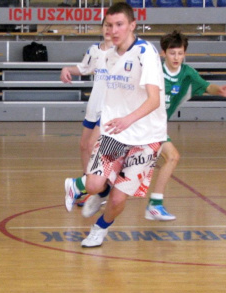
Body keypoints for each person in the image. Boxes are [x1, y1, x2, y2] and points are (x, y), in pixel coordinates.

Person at [64, 2, 167, 248]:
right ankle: (77, 186)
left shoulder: (145, 53)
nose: (114, 30)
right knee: (94, 184)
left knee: (119, 199)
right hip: (115, 135)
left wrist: (128, 119)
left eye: (119, 24)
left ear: (132, 25)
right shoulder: (107, 56)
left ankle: (100, 228)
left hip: (146, 138)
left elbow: (154, 100)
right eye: (109, 25)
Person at [145, 31, 226, 221]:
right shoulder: (153, 69)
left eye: (180, 53)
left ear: (184, 54)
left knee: (171, 158)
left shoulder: (187, 73)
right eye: (172, 53)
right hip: (142, 124)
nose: (176, 57)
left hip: (156, 127)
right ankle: (86, 187)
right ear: (163, 53)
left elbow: (206, 86)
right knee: (165, 159)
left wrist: (219, 90)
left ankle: (154, 204)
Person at [60, 18, 113, 205]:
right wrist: (67, 69)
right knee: (84, 146)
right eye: (106, 26)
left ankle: (99, 190)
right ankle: (88, 184)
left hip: (109, 107)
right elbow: (83, 68)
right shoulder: (94, 50)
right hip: (94, 105)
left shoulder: (121, 53)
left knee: (93, 146)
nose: (109, 29)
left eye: (112, 26)